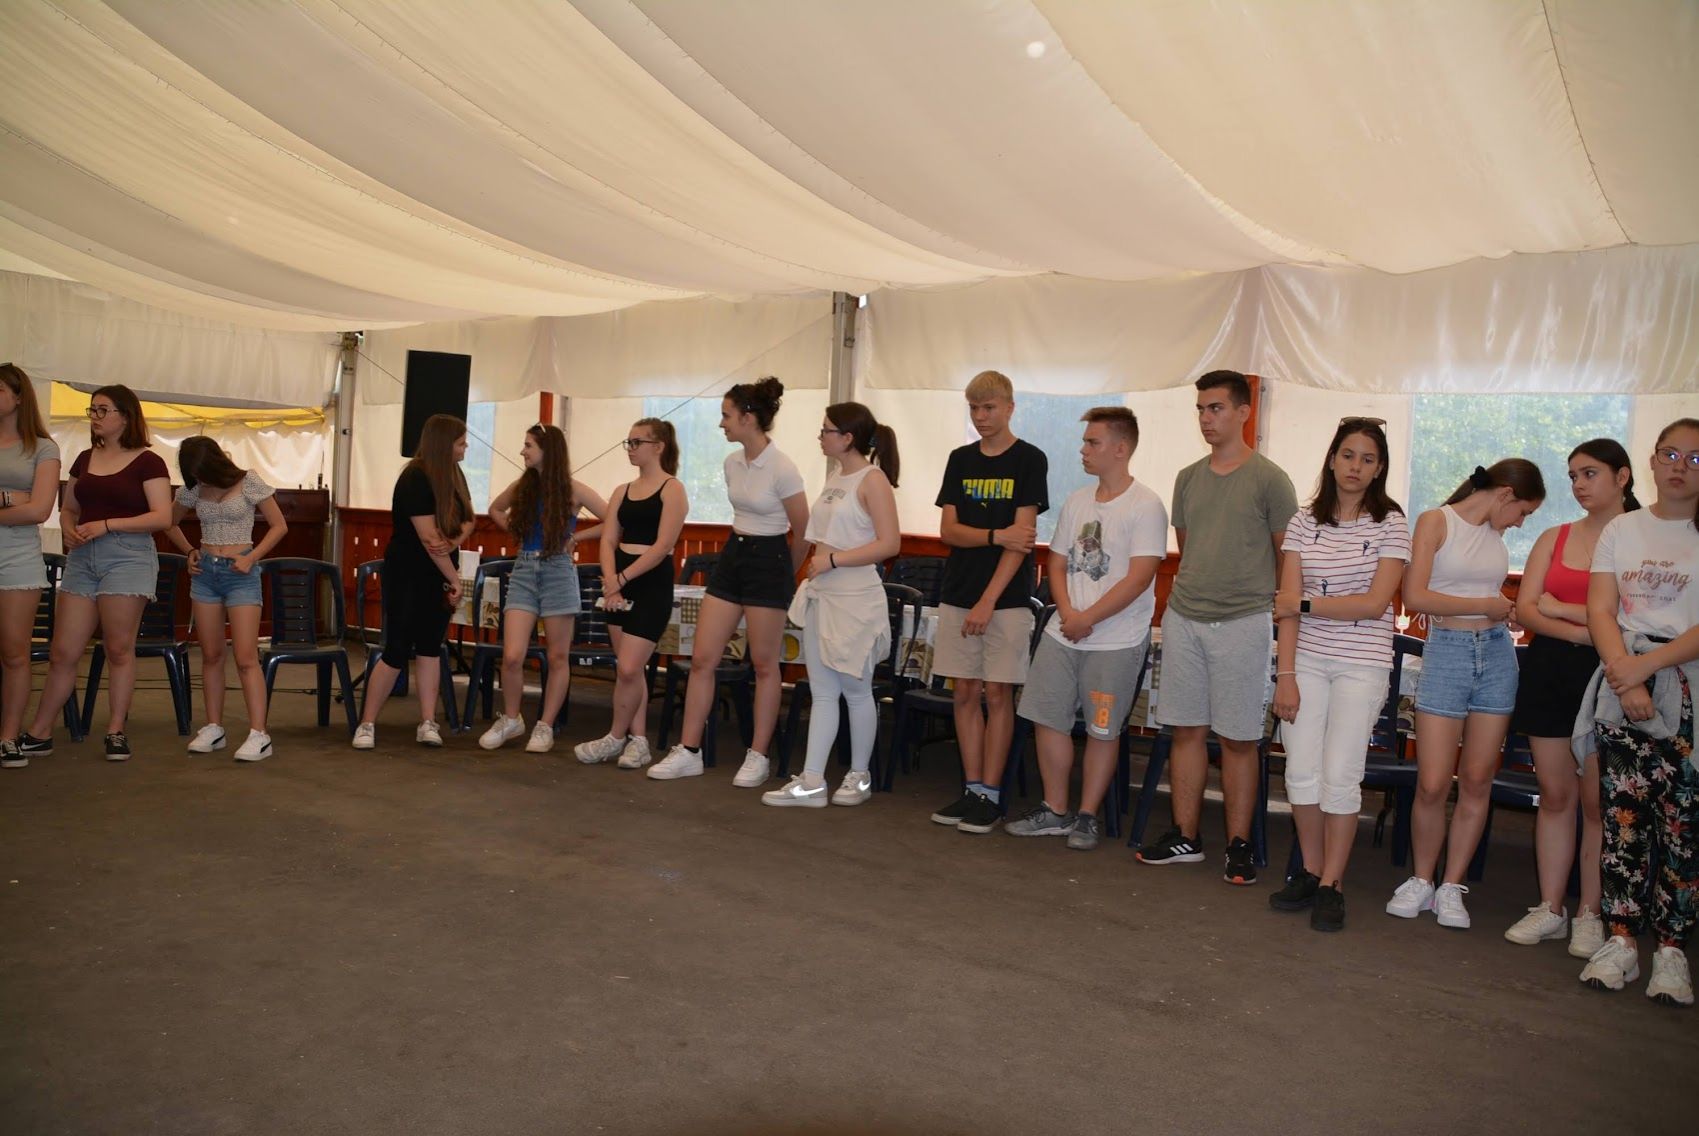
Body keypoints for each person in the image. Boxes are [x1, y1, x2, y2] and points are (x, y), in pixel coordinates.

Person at [1137, 370, 1297, 885]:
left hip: (1244, 621)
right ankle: (1185, 835)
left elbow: (1287, 557)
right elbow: (1189, 547)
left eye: (1217, 408)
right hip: (1185, 617)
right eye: (1201, 409)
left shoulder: (1270, 479)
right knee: (1185, 729)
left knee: (1239, 738)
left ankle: (1239, 844)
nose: (1206, 418)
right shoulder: (1188, 477)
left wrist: (1275, 613)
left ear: (1244, 412)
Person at [1386, 458, 1545, 929]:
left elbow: (1492, 600)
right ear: (1505, 493)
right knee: (1433, 782)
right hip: (1447, 651)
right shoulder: (1436, 521)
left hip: (1496, 654)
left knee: (1477, 779)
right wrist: (1486, 605)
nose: (1520, 523)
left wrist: (1502, 610)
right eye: (1523, 512)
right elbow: (1415, 596)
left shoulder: (1495, 535)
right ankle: (1421, 879)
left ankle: (1451, 886)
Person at [1268, 418, 1409, 931]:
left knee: (1341, 775)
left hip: (1361, 663)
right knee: (1300, 772)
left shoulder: (1391, 522)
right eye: (1348, 455)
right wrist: (1285, 674)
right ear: (1332, 460)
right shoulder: (1304, 521)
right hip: (1305, 660)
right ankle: (1310, 870)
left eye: (1368, 459)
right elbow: (1285, 608)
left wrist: (1306, 603)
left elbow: (1373, 604)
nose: (1356, 466)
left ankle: (1333, 883)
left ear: (1379, 469)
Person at [1576, 418, 1699, 1007]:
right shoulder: (1623, 528)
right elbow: (1601, 608)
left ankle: (1671, 950)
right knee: (1622, 818)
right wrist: (1624, 675)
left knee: (1682, 825)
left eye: (1695, 458)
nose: (1680, 466)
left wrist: (1645, 669)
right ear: (1651, 461)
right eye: (1670, 454)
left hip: (1686, 685)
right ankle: (1621, 938)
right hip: (1623, 678)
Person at [1005, 408, 1165, 849]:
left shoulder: (1146, 505)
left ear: (1121, 448)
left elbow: (1140, 577)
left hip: (1115, 640)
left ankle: (1087, 816)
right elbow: (1056, 562)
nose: (1083, 450)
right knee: (1047, 718)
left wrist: (1087, 618)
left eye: (1093, 442)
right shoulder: (1077, 500)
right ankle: (1055, 809)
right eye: (1084, 441)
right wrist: (1068, 612)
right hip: (1063, 632)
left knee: (1101, 729)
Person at [1503, 440, 1635, 955]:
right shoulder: (1554, 537)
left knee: (1598, 801)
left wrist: (1563, 609)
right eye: (1573, 475)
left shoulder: (1642, 539)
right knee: (1555, 795)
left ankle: (1590, 912)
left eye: (1590, 473)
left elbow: (1636, 615)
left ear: (1622, 477)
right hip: (1551, 670)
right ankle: (1551, 907)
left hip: (1612, 675)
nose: (1579, 484)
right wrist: (1590, 629)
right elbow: (1527, 609)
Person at [649, 378, 807, 783]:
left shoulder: (783, 468)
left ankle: (758, 755)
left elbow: (804, 531)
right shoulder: (731, 463)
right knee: (703, 657)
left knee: (764, 664)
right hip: (734, 554)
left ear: (748, 418)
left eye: (726, 416)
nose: (721, 424)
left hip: (770, 558)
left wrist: (783, 574)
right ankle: (689, 750)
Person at [20, 385, 171, 762]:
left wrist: (107, 525)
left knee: (118, 648)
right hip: (83, 557)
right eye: (92, 410)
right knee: (63, 651)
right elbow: (69, 508)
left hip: (128, 557)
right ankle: (39, 732)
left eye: (103, 410)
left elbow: (162, 516)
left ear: (126, 416)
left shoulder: (149, 462)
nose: (95, 417)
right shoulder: (85, 458)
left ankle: (115, 730)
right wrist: (68, 528)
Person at [927, 370, 1049, 835]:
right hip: (958, 591)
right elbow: (949, 531)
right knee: (964, 692)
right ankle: (972, 787)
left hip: (1007, 599)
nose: (981, 416)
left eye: (990, 407)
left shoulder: (1029, 459)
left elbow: (1023, 541)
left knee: (998, 695)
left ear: (1010, 407)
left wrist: (988, 601)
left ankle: (992, 795)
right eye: (974, 408)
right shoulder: (960, 459)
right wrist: (996, 535)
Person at [762, 403, 902, 808]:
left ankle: (859, 775)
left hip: (856, 598)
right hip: (823, 594)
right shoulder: (836, 477)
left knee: (856, 690)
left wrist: (835, 560)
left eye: (826, 430)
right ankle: (812, 780)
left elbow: (889, 543)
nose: (820, 436)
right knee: (823, 691)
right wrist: (820, 566)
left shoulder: (872, 480)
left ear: (848, 437)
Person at [480, 425, 607, 754]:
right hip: (524, 568)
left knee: (557, 656)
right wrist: (516, 531)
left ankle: (545, 725)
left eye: (528, 445)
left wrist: (575, 538)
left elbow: (613, 520)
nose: (523, 451)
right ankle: (512, 719)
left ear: (548, 450)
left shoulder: (573, 490)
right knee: (512, 655)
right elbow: (495, 509)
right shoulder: (522, 486)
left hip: (558, 570)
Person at [352, 414, 473, 750]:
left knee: (431, 647)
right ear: (443, 444)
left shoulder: (454, 475)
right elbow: (428, 538)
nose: (466, 447)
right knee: (397, 649)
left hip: (438, 572)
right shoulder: (415, 478)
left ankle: (428, 722)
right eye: (460, 442)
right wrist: (454, 577)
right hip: (408, 573)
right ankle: (367, 723)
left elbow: (468, 519)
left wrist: (453, 543)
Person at [165, 437, 289, 762]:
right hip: (206, 573)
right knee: (211, 655)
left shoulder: (248, 481)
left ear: (214, 462)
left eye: (201, 472)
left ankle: (259, 733)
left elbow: (279, 526)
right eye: (193, 474)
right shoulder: (193, 488)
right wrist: (189, 551)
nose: (198, 479)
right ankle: (213, 727)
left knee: (245, 657)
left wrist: (251, 558)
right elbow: (169, 522)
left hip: (241, 573)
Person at [573, 419, 686, 770]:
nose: (631, 448)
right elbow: (609, 538)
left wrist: (621, 578)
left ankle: (615, 736)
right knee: (629, 672)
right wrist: (611, 580)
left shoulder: (672, 489)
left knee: (629, 666)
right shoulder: (622, 490)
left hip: (650, 581)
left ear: (659, 446)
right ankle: (638, 742)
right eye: (629, 442)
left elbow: (663, 545)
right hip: (618, 581)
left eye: (638, 442)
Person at [0, 364, 60, 769]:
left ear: (19, 396)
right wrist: (14, 497)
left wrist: (10, 500)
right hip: (15, 542)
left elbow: (40, 510)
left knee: (14, 653)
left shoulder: (43, 448)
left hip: (17, 559)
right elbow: (28, 503)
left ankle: (8, 737)